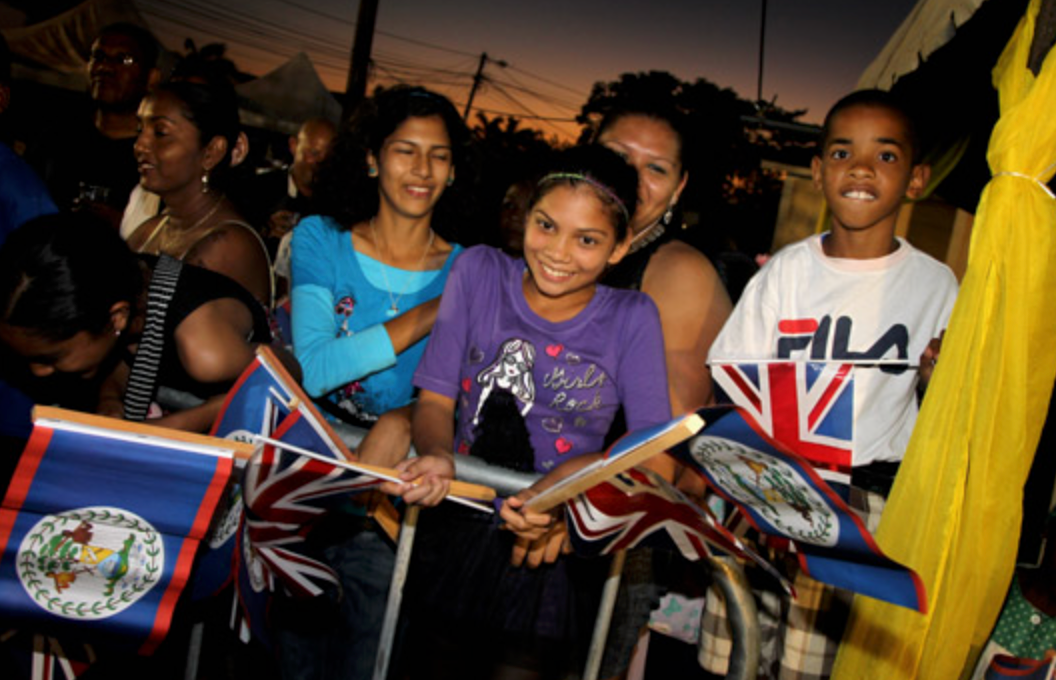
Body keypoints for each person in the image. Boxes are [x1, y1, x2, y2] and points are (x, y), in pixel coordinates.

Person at [700, 89, 959, 679]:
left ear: (916, 179)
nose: (862, 168)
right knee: (732, 654)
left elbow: (949, 407)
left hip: (861, 502)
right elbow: (736, 380)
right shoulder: (788, 270)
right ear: (817, 172)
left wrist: (933, 377)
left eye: (886, 156)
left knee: (810, 665)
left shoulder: (937, 285)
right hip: (768, 482)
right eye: (843, 152)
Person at [396, 145, 672, 679]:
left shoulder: (631, 317)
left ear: (620, 247)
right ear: (527, 215)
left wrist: (570, 502)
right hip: (461, 525)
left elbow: (651, 456)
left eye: (587, 239)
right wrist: (437, 456)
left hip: (549, 548)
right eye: (546, 225)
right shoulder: (478, 272)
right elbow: (434, 399)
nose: (559, 252)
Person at [278, 85, 471, 680]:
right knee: (289, 662)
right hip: (302, 484)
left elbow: (464, 394)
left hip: (393, 508)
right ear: (371, 158)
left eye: (438, 155)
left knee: (368, 660)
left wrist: (404, 418)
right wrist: (432, 311)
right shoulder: (320, 238)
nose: (421, 169)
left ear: (454, 170)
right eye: (404, 150)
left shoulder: (471, 267)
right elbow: (314, 367)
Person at [0, 213, 276, 434]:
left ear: (116, 317)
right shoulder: (123, 283)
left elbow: (285, 372)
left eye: (50, 357)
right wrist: (111, 399)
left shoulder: (207, 353)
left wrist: (214, 410)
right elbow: (130, 350)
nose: (38, 371)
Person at [596, 102, 732, 414]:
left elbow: (661, 449)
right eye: (618, 156)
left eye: (656, 168)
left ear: (677, 188)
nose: (631, 176)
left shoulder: (680, 273)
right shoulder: (545, 250)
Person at [125, 78, 273, 308]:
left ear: (212, 152)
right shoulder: (149, 231)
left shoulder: (230, 247)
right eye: (139, 130)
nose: (140, 145)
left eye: (160, 132)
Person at [24, 23, 159, 229]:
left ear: (151, 78)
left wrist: (130, 231)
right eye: (98, 56)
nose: (105, 68)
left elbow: (176, 262)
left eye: (124, 60)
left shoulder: (161, 160)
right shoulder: (56, 137)